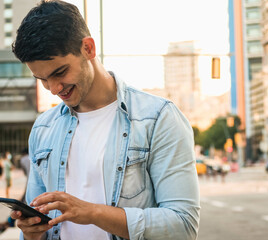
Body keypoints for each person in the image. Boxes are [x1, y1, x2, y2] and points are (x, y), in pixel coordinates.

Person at [10, 1, 200, 240]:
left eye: (59, 73)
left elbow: (183, 225)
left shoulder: (158, 118)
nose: (54, 88)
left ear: (88, 48)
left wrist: (92, 213)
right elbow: (41, 226)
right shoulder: (43, 127)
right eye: (42, 79)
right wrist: (31, 233)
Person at [0, 148, 30, 232]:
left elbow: (25, 173)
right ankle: (8, 223)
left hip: (30, 185)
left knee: (19, 206)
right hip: (33, 185)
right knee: (21, 206)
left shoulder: (24, 159)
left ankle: (8, 223)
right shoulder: (33, 157)